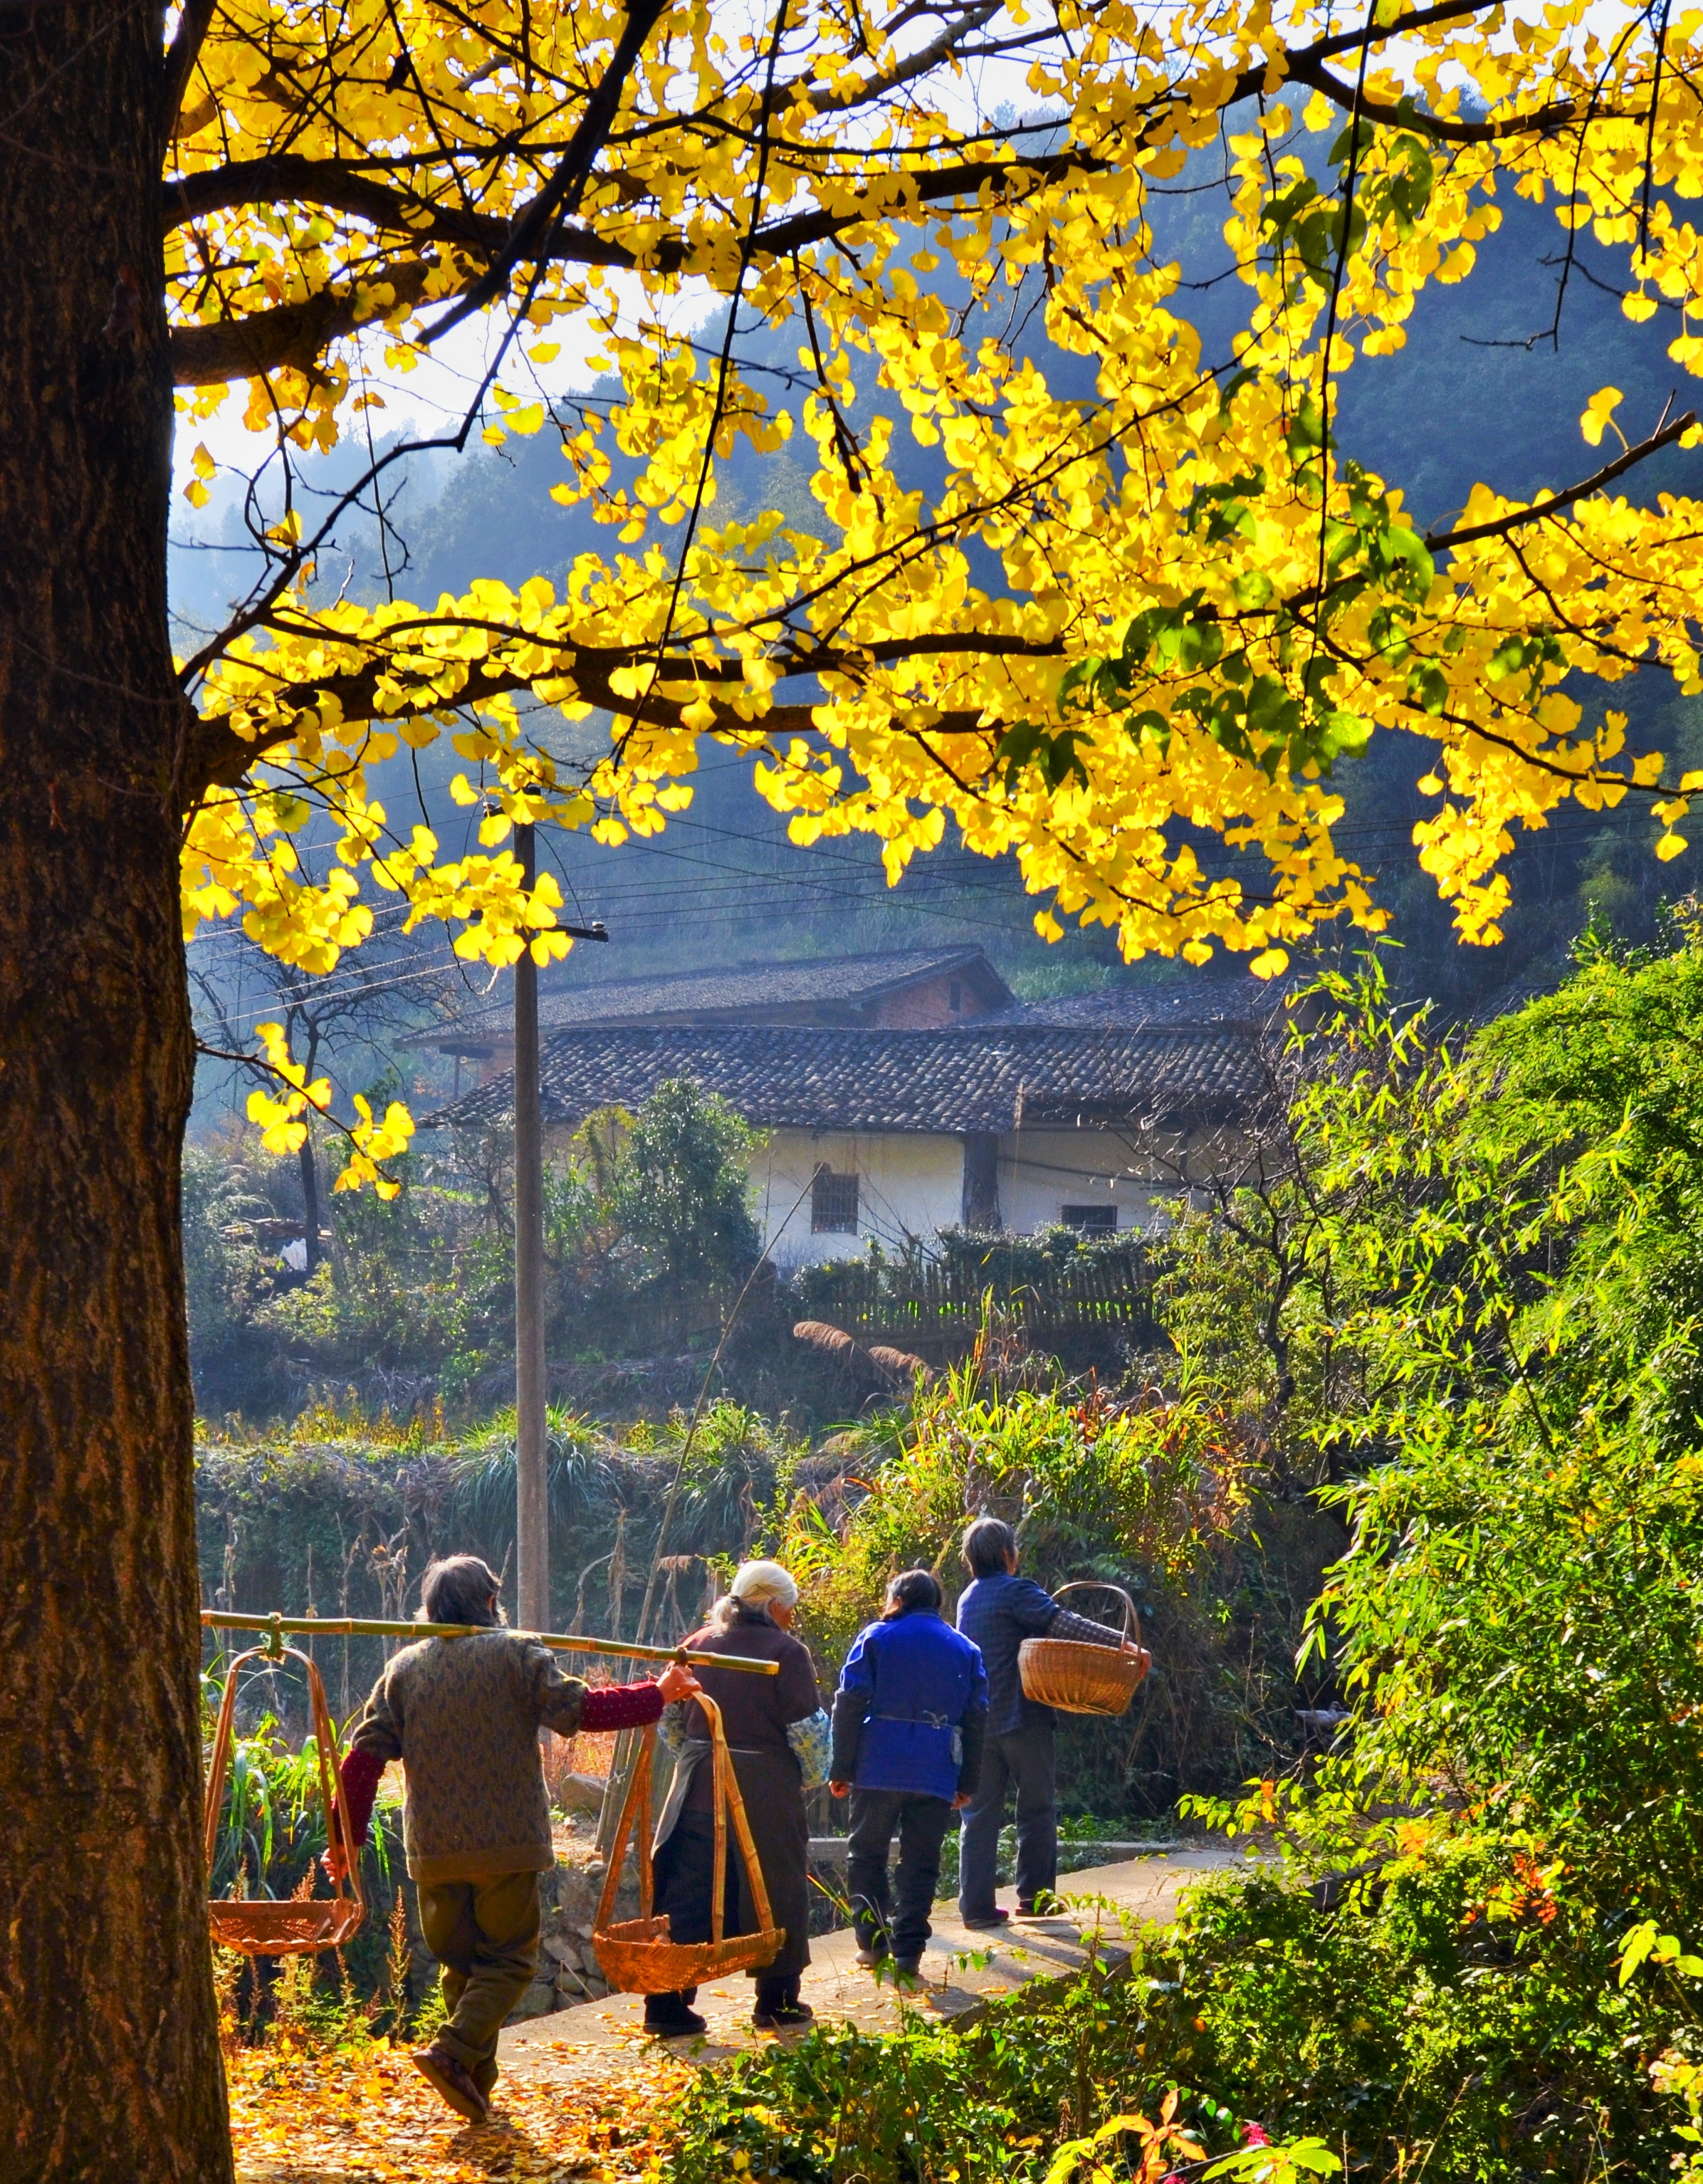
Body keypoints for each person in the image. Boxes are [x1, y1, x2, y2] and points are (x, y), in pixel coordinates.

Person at [327, 1554, 701, 2123]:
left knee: (462, 1968)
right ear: (488, 1602)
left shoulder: (404, 1667)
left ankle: (473, 2088)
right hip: (506, 1842)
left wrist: (345, 1837)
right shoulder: (517, 1652)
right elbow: (584, 1710)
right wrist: (661, 1691)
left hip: (434, 1849)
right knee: (509, 1961)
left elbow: (361, 1759)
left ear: (430, 1610)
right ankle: (453, 2052)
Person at [646, 1559, 822, 2035]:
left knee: (687, 1891)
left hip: (698, 1784)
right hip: (763, 1788)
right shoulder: (788, 1651)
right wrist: (806, 1777)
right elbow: (809, 1735)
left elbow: (671, 1721)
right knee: (776, 1889)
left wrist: (699, 1755)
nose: (791, 1618)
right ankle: (776, 2002)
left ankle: (666, 2005)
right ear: (777, 1606)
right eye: (790, 1610)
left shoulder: (696, 1644)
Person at [953, 1517, 1148, 1928]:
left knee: (979, 1816)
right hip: (1023, 1717)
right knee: (1038, 1809)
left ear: (972, 1559)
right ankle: (1036, 1900)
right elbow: (1064, 1624)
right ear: (1008, 1555)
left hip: (980, 1722)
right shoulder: (1016, 1591)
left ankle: (975, 1908)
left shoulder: (967, 1599)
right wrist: (1125, 1645)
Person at [828, 1569, 987, 1980]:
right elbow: (976, 1716)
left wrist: (842, 1767)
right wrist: (966, 1781)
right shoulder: (965, 1648)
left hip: (877, 1766)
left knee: (867, 1855)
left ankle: (873, 1943)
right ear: (936, 1603)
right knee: (921, 1861)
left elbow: (850, 1701)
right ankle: (909, 1952)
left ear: (897, 1598)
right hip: (936, 1770)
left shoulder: (877, 1637)